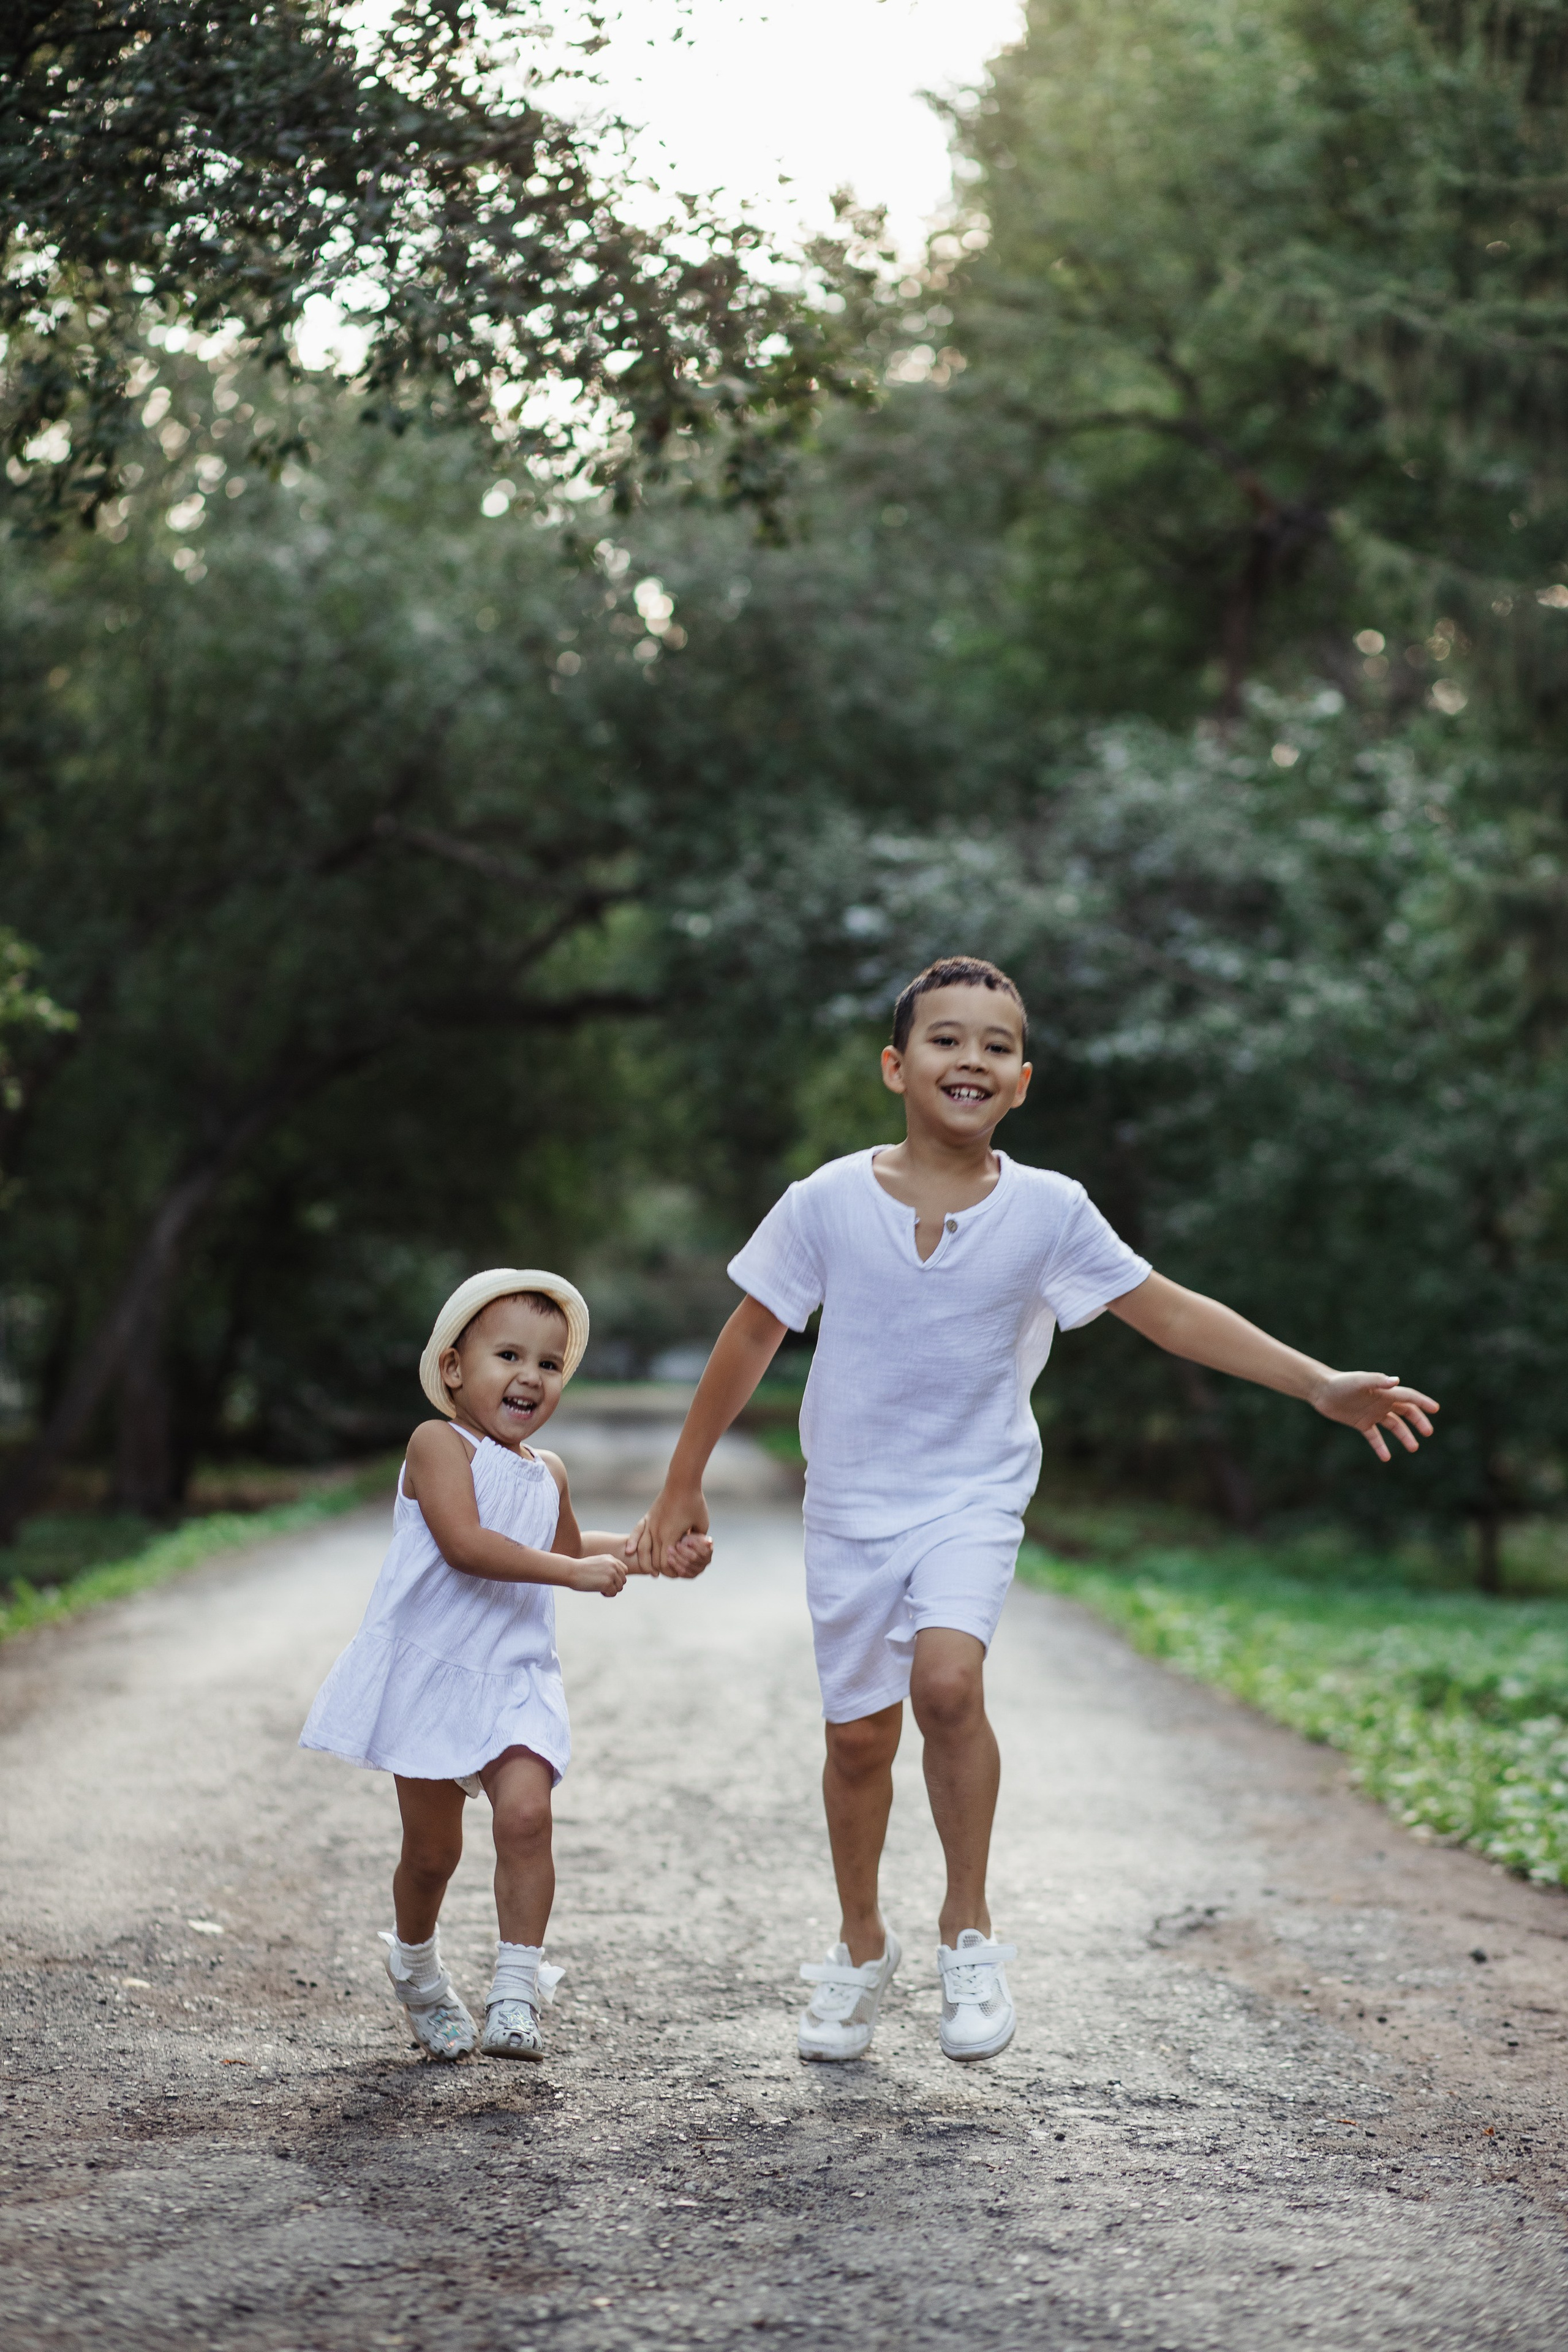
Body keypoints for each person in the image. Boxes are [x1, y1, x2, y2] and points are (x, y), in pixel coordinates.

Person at [632, 956, 1438, 2067]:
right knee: (858, 1741)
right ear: (895, 1065)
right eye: (946, 1039)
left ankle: (970, 1929)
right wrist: (683, 1481)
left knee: (949, 1685)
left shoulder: (1050, 1212)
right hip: (853, 1506)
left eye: (996, 1046)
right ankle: (861, 1943)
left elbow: (1170, 1314)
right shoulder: (824, 1200)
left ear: (1022, 1082)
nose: (971, 1058)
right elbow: (752, 1336)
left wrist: (1316, 1383)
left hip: (974, 1494)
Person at [301, 1267, 709, 2062]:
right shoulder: (435, 1444)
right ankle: (417, 1969)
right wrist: (571, 1577)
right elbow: (468, 1545)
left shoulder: (546, 1471)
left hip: (515, 1674)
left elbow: (565, 1548)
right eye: (509, 1356)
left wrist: (655, 1554)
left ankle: (514, 1997)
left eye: (550, 1365)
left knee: (526, 1816)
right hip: (434, 1673)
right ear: (454, 1369)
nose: (530, 1376)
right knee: (433, 1854)